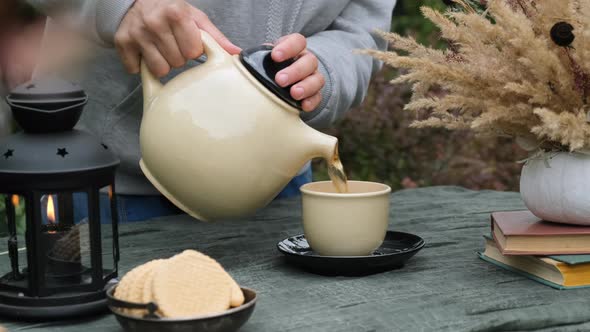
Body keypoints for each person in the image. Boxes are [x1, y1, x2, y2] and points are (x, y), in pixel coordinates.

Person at [24, 0, 396, 222]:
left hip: (270, 181)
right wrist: (123, 7)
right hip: (105, 182)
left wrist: (324, 69)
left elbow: (364, 31)